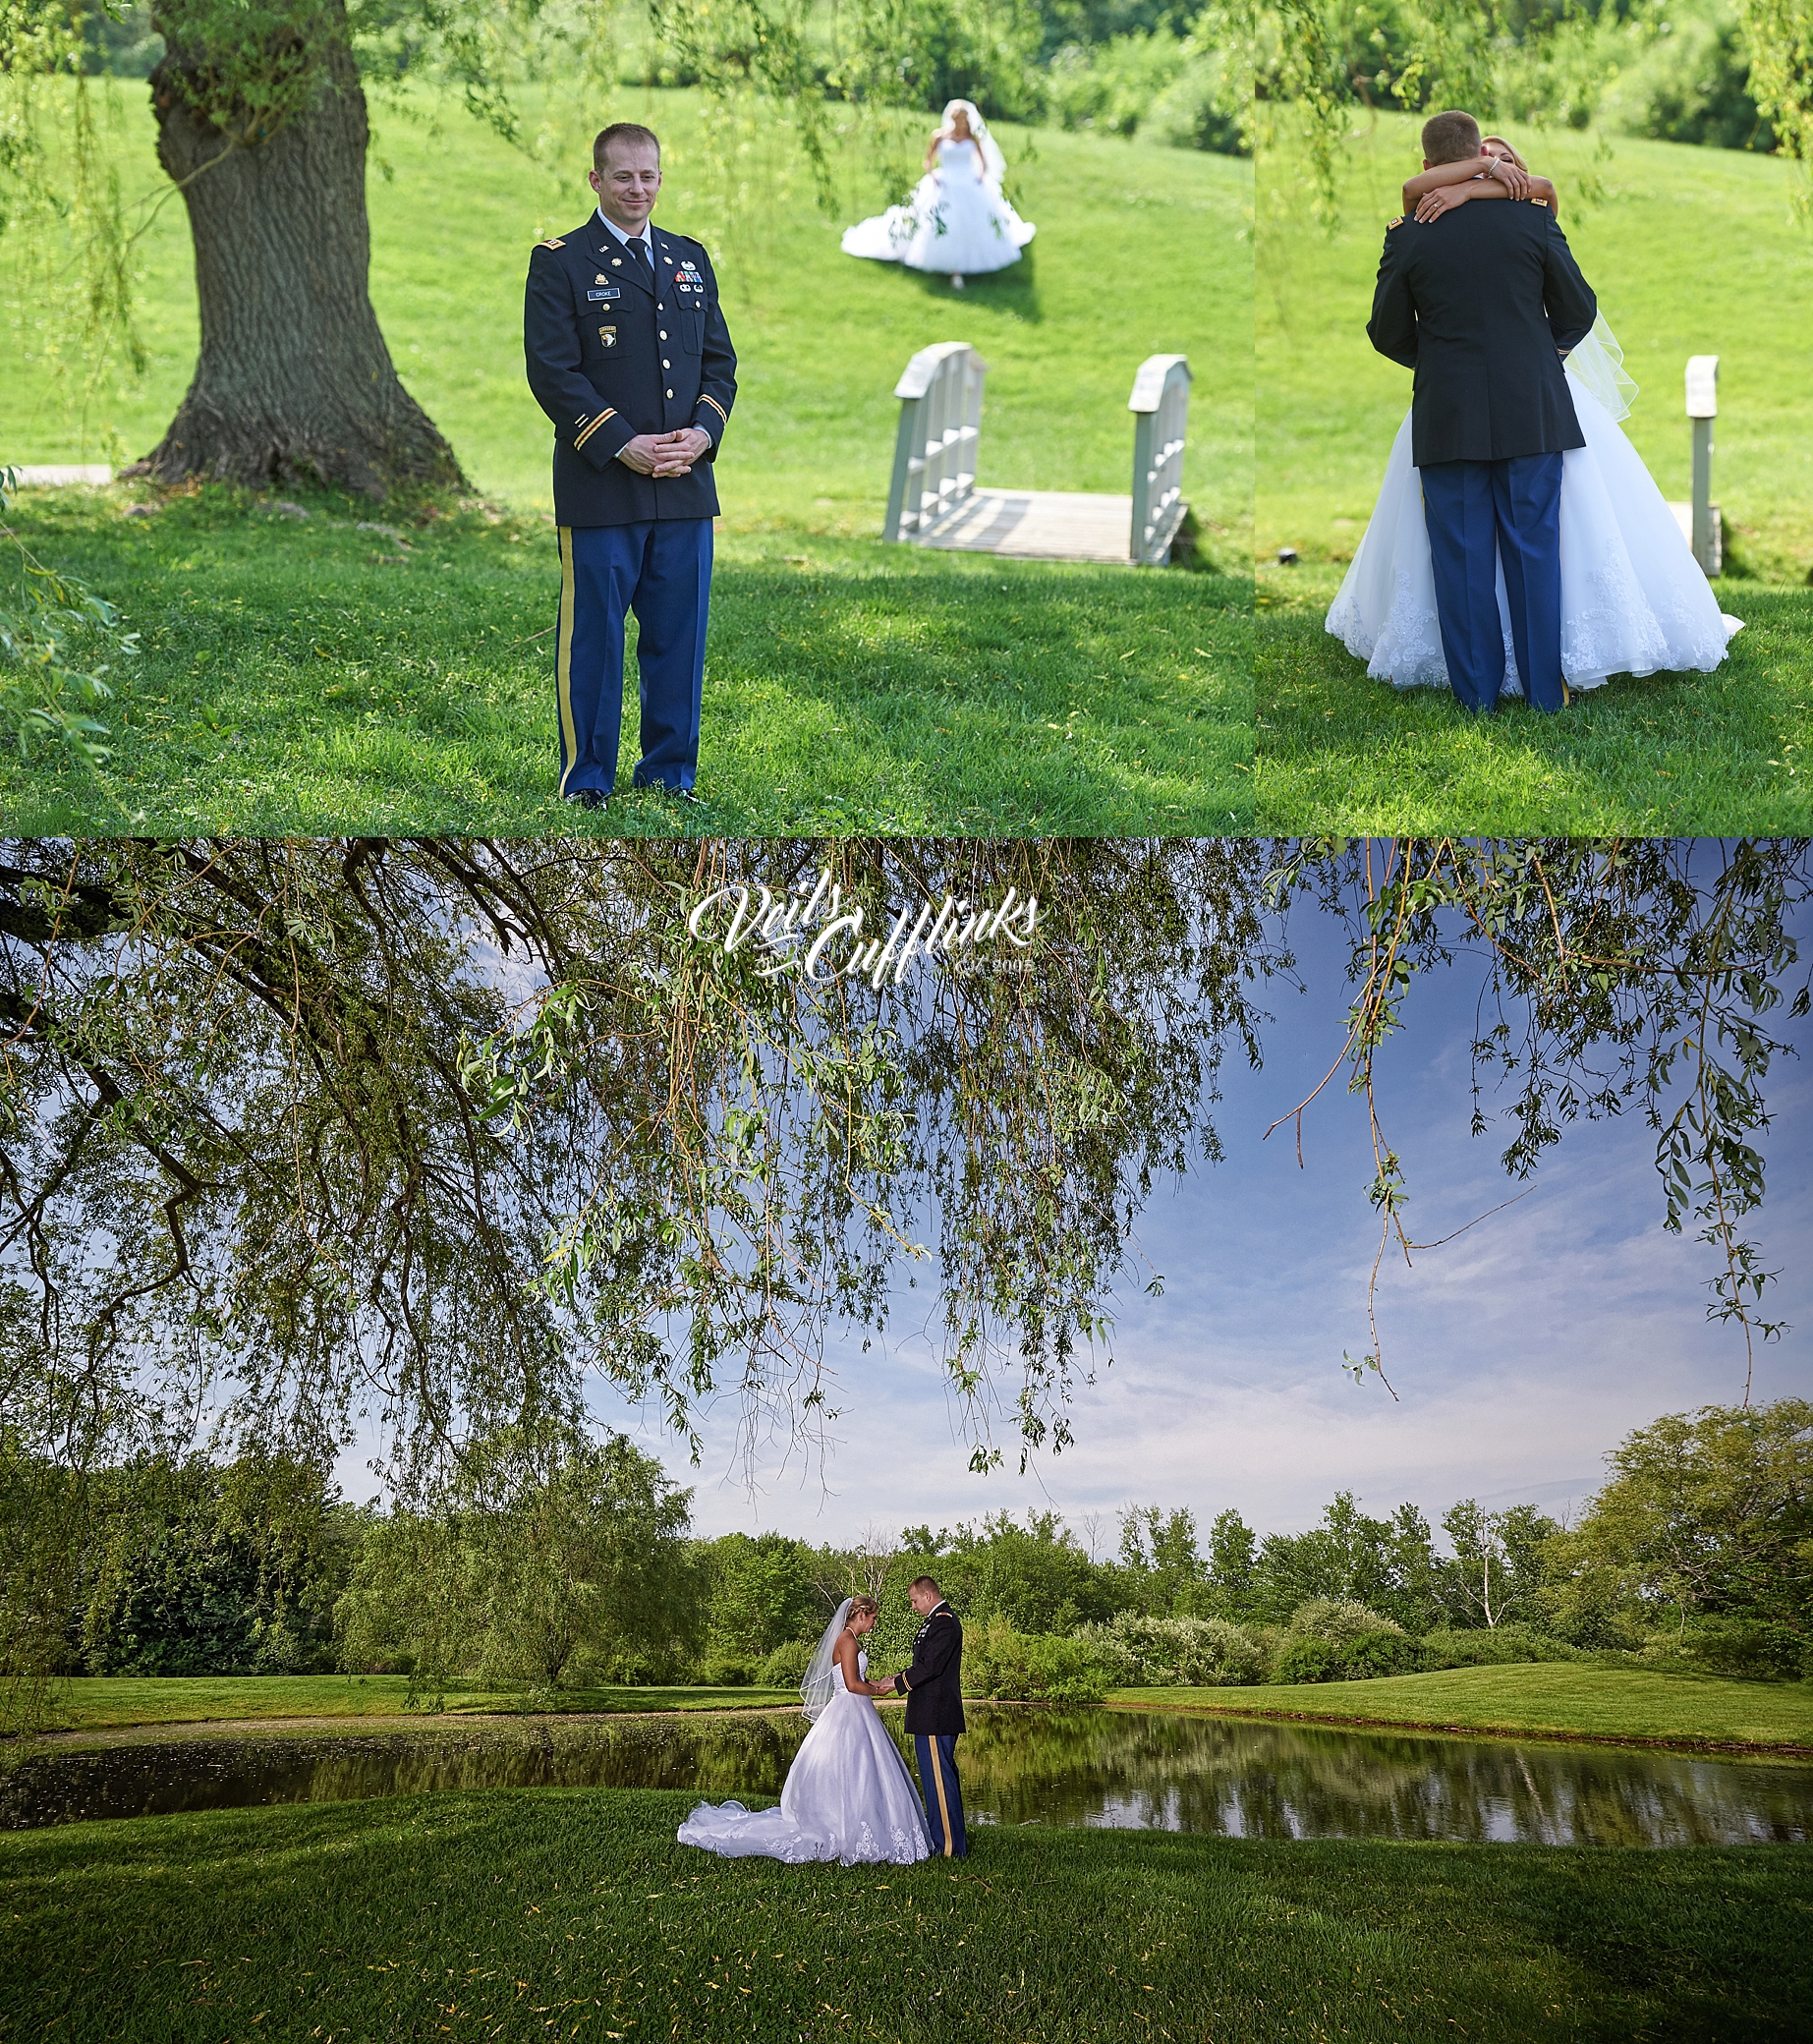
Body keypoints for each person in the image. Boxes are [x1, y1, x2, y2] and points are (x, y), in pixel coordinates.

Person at [1332, 112, 1740, 709]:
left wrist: (1440, 365)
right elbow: (1579, 309)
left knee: (1462, 554)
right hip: (1535, 410)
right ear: (1478, 152)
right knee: (1533, 551)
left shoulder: (1408, 234)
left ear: (1426, 167)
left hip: (1448, 413)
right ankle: (1547, 693)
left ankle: (1477, 698)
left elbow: (1386, 331)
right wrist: (1535, 356)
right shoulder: (1532, 221)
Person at [524, 122, 737, 807]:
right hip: (601, 487)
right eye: (623, 176)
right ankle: (586, 781)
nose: (637, 188)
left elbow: (718, 366)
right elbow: (553, 372)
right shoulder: (560, 261)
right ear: (595, 180)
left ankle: (669, 776)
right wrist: (622, 442)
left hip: (684, 487)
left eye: (648, 175)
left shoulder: (688, 258)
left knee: (679, 641)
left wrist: (702, 435)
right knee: (594, 643)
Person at [676, 1598, 933, 1865]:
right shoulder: (847, 1641)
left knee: (862, 1771)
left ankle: (862, 1823)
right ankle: (845, 1828)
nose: (875, 1622)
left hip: (856, 1709)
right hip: (849, 1709)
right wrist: (879, 1690)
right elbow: (852, 1684)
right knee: (854, 1769)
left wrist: (879, 1682)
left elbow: (857, 1679)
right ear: (861, 1615)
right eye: (873, 1617)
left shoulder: (850, 1640)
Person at [841, 100, 1035, 288]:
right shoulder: (939, 137)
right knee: (943, 222)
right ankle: (952, 269)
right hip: (945, 183)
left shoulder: (972, 138)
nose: (960, 123)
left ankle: (965, 265)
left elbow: (983, 162)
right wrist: (933, 175)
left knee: (970, 222)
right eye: (957, 119)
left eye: (963, 119)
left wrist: (979, 177)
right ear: (952, 118)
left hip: (968, 183)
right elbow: (928, 161)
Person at [873, 1576, 967, 1859]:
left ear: (927, 1595)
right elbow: (923, 1666)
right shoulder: (933, 1621)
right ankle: (940, 1839)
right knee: (935, 1781)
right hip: (929, 1714)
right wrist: (897, 1677)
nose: (913, 1607)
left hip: (936, 1715)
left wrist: (895, 1683)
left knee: (940, 1782)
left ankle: (949, 1849)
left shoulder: (944, 1621)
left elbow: (931, 1667)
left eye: (914, 1601)